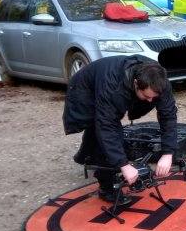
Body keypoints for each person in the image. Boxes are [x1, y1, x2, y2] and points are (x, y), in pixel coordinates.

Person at [63, 55, 178, 206]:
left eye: (154, 97)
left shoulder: (160, 82)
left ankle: (86, 155)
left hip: (113, 84)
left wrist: (168, 153)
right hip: (85, 87)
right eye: (147, 96)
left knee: (100, 125)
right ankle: (107, 187)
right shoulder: (112, 88)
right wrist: (123, 165)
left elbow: (168, 116)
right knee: (104, 127)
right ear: (136, 83)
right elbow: (107, 127)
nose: (151, 101)